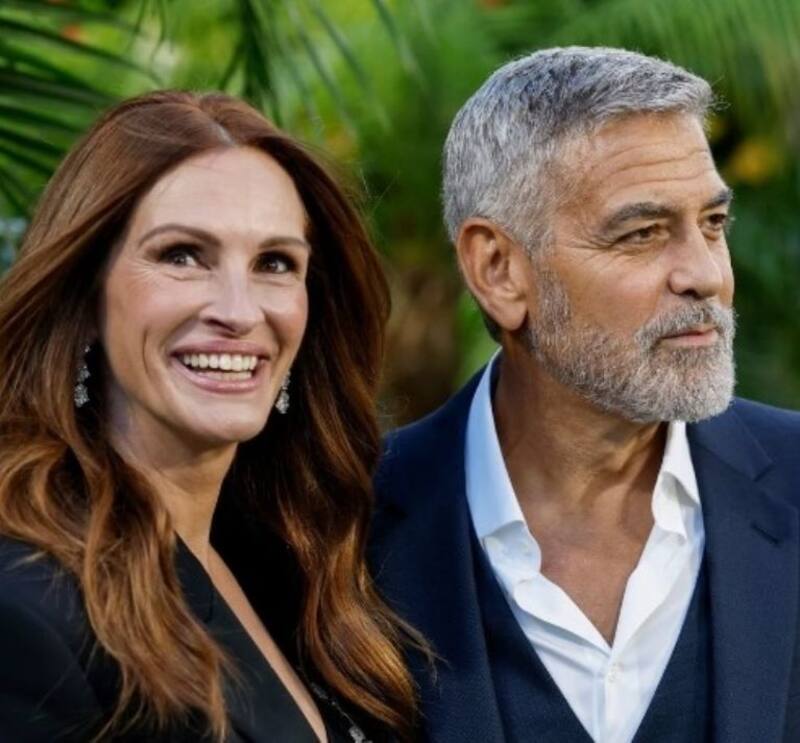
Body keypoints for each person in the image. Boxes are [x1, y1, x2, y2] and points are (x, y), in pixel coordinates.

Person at [369, 47, 800, 743]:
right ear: (498, 269)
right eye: (642, 233)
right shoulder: (342, 529)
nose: (705, 275)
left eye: (713, 224)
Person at [0, 90, 419, 742]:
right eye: (183, 255)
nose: (240, 311)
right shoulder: (26, 605)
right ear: (84, 295)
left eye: (275, 263)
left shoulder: (299, 568)